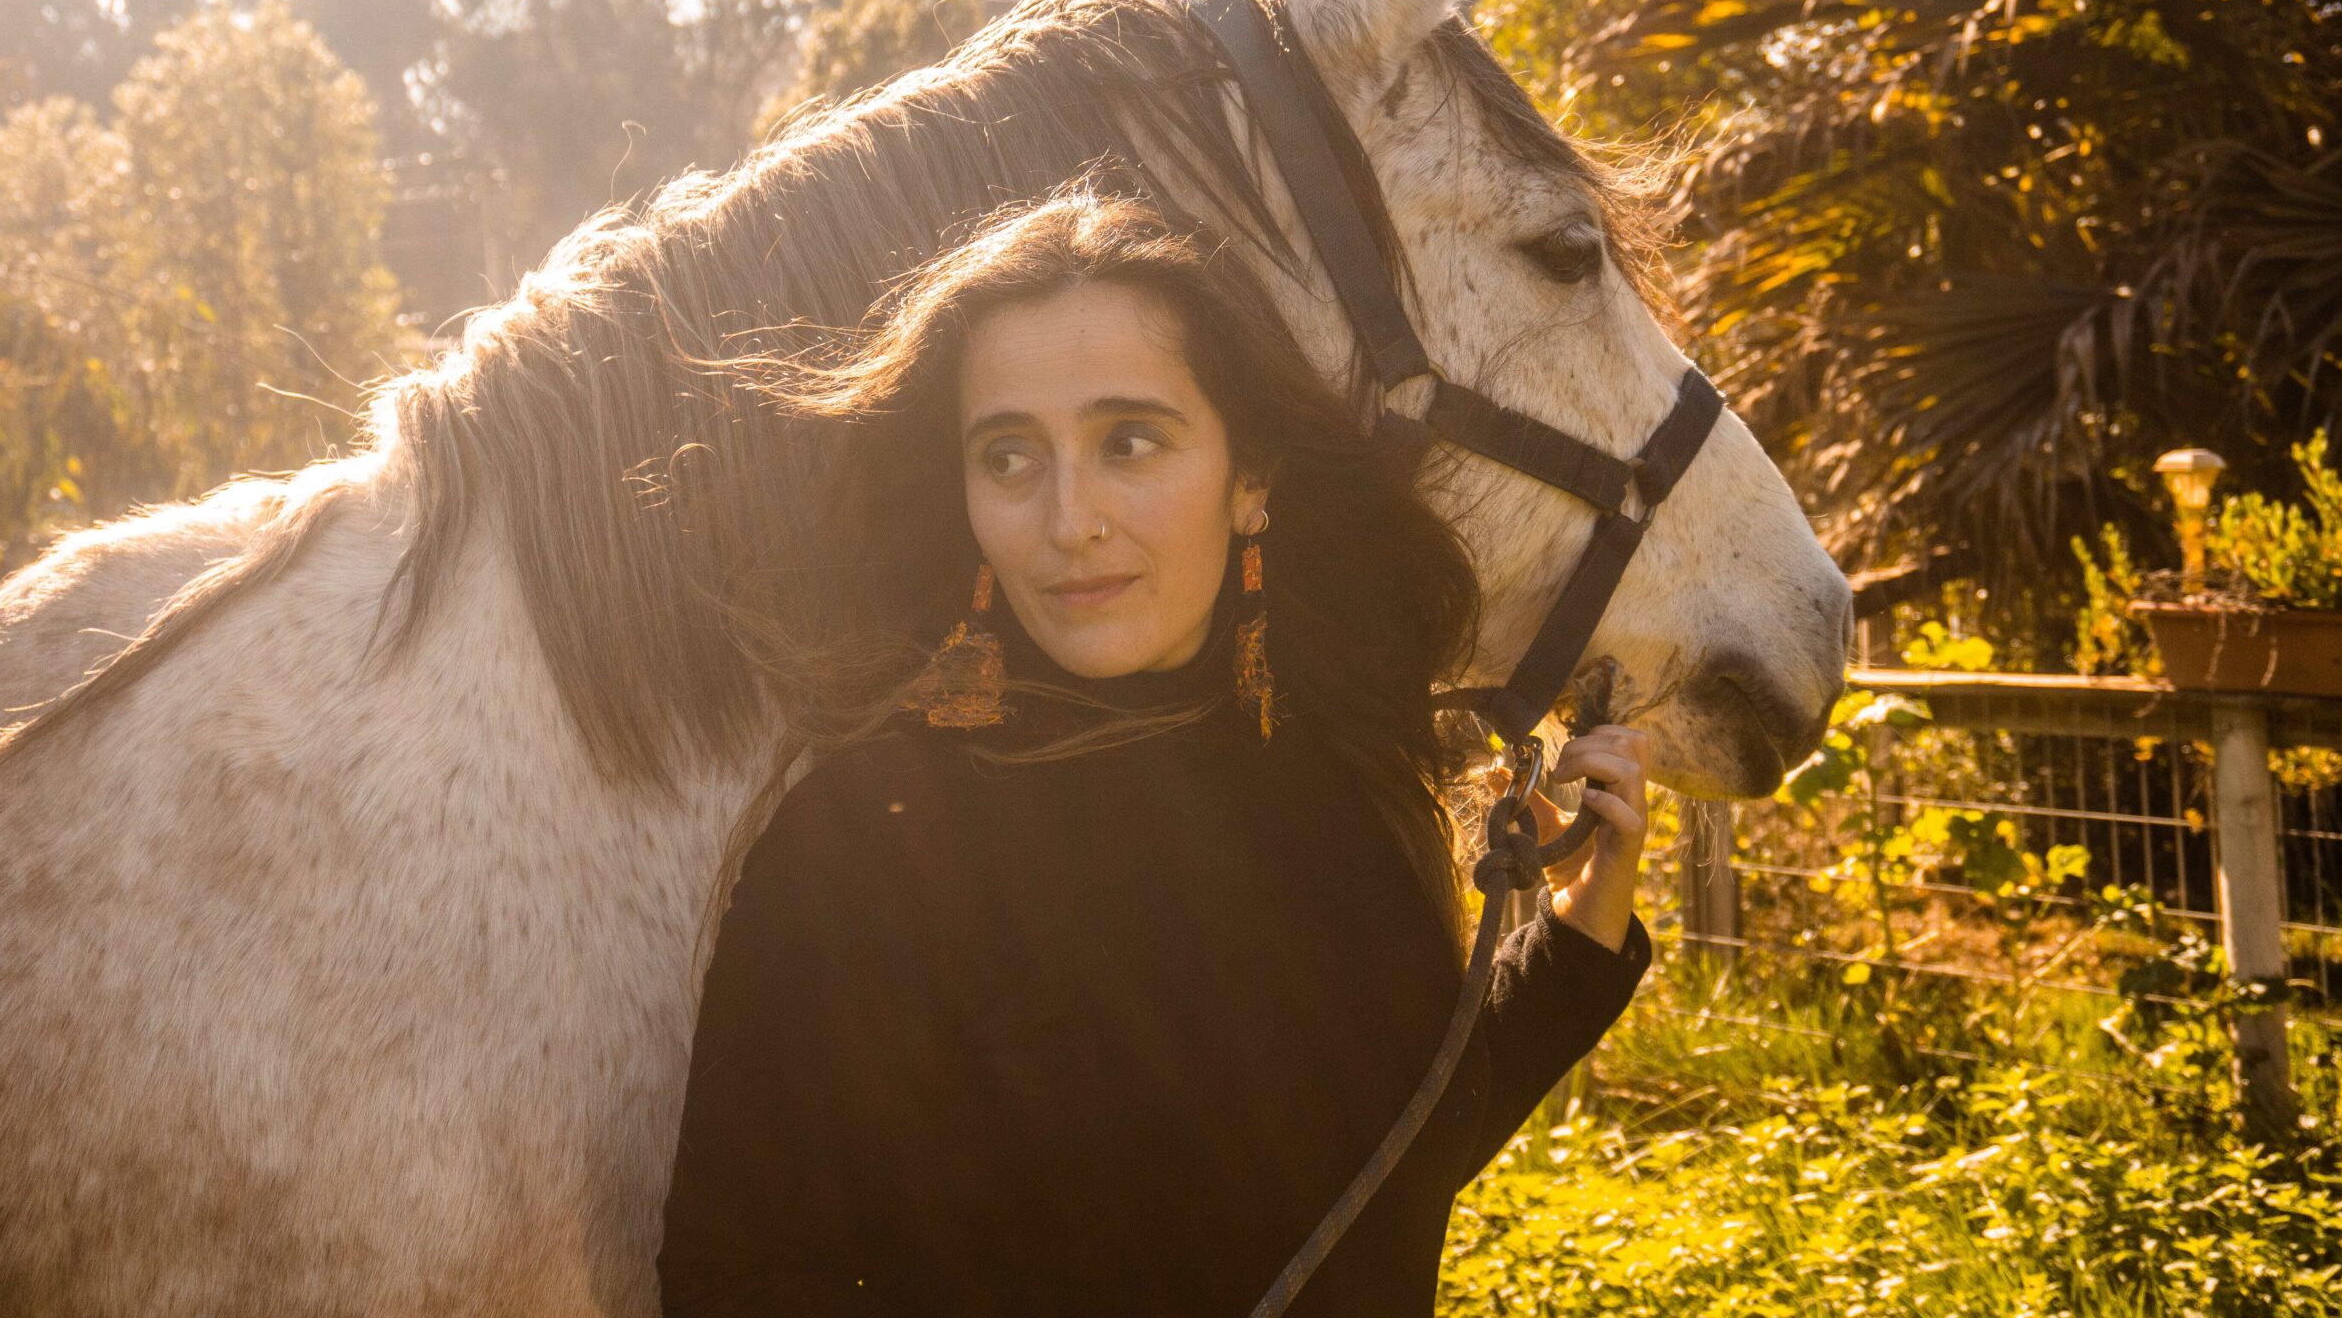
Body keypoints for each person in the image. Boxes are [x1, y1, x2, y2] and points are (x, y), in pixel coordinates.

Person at [658, 187, 1653, 1316]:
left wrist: (1572, 945)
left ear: (1250, 479)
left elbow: (1372, 1172)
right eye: (1009, 456)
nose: (1068, 519)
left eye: (1128, 442)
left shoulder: (1340, 786)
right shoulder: (869, 842)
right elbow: (731, 1280)